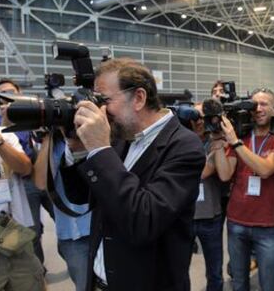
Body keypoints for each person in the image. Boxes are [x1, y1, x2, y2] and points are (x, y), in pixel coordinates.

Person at [60, 58, 206, 291]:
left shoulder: (184, 146)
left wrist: (100, 148)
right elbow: (80, 195)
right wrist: (76, 149)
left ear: (138, 98)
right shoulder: (119, 135)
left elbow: (144, 221)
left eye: (104, 100)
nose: (100, 111)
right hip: (99, 280)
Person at [214, 88, 274, 291]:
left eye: (264, 104)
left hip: (267, 224)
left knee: (269, 285)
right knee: (239, 283)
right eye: (255, 105)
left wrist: (234, 142)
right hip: (236, 221)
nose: (258, 109)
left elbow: (265, 169)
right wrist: (218, 141)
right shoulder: (242, 136)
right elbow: (225, 174)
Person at [0, 78, 54, 265]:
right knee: (32, 230)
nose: (8, 97)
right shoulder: (0, 122)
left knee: (62, 216)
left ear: (19, 91)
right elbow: (17, 161)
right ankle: (39, 270)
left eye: (11, 92)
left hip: (46, 174)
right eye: (3, 94)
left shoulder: (32, 110)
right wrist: (6, 122)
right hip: (25, 181)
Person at [33, 130, 91, 291]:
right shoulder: (56, 143)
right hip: (76, 235)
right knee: (85, 285)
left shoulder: (97, 132)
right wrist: (48, 137)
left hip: (107, 226)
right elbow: (40, 183)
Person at [190, 103, 227, 291]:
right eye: (195, 116)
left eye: (203, 117)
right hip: (185, 215)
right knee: (178, 269)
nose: (199, 121)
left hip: (210, 216)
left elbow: (206, 171)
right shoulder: (180, 139)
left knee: (214, 272)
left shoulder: (216, 141)